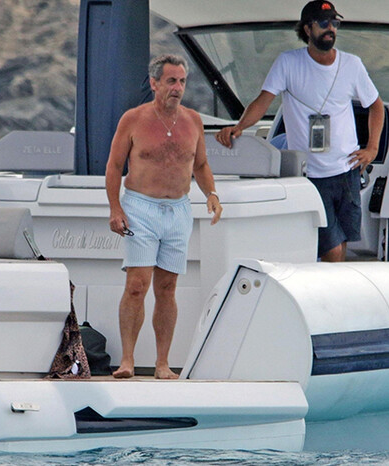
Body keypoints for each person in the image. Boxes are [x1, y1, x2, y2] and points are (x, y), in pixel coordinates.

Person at [215, 0, 384, 262]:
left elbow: (376, 106)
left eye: (335, 23)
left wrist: (372, 148)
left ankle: (332, 286)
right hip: (311, 175)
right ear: (307, 29)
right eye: (324, 23)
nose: (331, 29)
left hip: (348, 170)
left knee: (342, 244)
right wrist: (239, 127)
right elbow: (263, 101)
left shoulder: (352, 64)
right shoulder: (288, 63)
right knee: (331, 249)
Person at [106, 54, 222, 380]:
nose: (178, 88)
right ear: (154, 83)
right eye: (171, 81)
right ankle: (127, 361)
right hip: (140, 207)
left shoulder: (193, 121)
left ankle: (162, 363)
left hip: (178, 210)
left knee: (168, 287)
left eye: (182, 81)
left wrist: (212, 194)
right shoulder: (133, 119)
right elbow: (114, 166)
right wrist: (115, 208)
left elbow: (200, 165)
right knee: (137, 285)